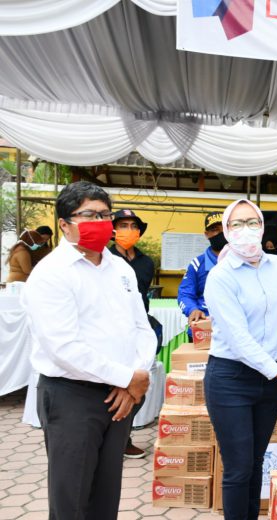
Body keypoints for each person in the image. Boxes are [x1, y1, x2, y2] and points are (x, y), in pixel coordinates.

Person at [21, 181, 156, 520]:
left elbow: (142, 328)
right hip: (72, 396)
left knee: (105, 496)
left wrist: (135, 378)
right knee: (73, 499)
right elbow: (63, 347)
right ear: (64, 223)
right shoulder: (51, 274)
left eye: (105, 215)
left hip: (120, 395)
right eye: (89, 215)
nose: (101, 222)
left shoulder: (120, 269)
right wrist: (128, 377)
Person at [203, 199, 277, 520]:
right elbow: (239, 338)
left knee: (256, 461)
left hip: (271, 379)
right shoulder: (220, 276)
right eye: (236, 224)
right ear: (226, 231)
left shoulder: (276, 266)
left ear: (262, 226)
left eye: (251, 222)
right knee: (238, 467)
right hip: (232, 378)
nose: (245, 230)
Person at [109, 209, 156, 459]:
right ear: (113, 230)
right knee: (112, 386)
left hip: (139, 329)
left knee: (139, 386)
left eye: (133, 225)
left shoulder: (146, 262)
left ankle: (122, 434)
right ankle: (112, 438)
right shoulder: (104, 259)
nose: (128, 229)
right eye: (123, 224)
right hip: (112, 331)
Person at [178, 211, 225, 336]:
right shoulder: (197, 264)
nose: (221, 233)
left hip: (236, 330)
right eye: (215, 230)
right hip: (204, 329)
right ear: (206, 234)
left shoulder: (243, 262)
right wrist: (193, 310)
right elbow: (185, 294)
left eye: (224, 228)